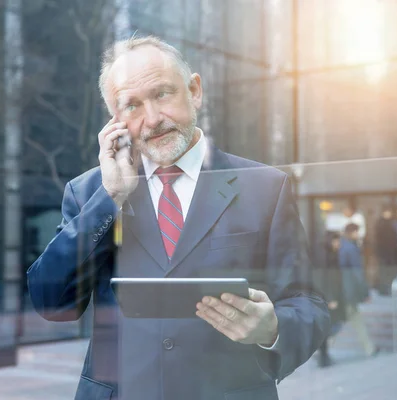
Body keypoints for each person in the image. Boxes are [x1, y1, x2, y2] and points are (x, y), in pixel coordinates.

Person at [27, 36, 329, 400]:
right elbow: (52, 303)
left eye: (163, 94)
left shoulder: (266, 187)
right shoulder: (89, 192)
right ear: (115, 120)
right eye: (132, 105)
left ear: (195, 91)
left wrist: (272, 328)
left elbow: (308, 304)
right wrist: (110, 200)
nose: (152, 119)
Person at [339, 224, 377, 358]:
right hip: (349, 290)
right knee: (351, 318)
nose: (358, 235)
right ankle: (369, 348)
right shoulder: (351, 248)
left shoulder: (340, 246)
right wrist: (365, 292)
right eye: (357, 232)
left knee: (350, 318)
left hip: (340, 290)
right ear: (352, 232)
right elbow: (357, 272)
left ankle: (369, 347)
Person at [316, 232, 346, 368]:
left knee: (327, 327)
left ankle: (323, 355)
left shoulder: (330, 255)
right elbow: (325, 279)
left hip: (327, 296)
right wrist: (330, 297)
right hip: (326, 297)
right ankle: (323, 356)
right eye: (336, 241)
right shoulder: (326, 257)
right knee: (327, 328)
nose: (338, 244)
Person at [374, 206, 397, 295]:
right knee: (384, 271)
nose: (389, 214)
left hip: (391, 252)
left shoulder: (391, 223)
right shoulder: (381, 223)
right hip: (384, 252)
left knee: (389, 271)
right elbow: (380, 238)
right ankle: (383, 289)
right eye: (387, 212)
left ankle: (388, 288)